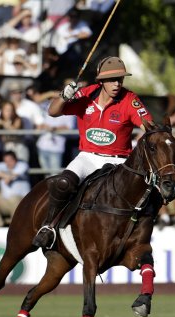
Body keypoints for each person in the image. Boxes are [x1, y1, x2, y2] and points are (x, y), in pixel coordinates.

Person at [32, 56, 154, 249]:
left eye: (120, 79)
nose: (117, 83)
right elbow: (53, 112)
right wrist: (64, 96)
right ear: (101, 81)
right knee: (63, 182)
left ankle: (136, 237)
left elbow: (150, 127)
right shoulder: (86, 95)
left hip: (119, 162)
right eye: (112, 79)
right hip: (87, 157)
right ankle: (49, 226)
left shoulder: (130, 100)